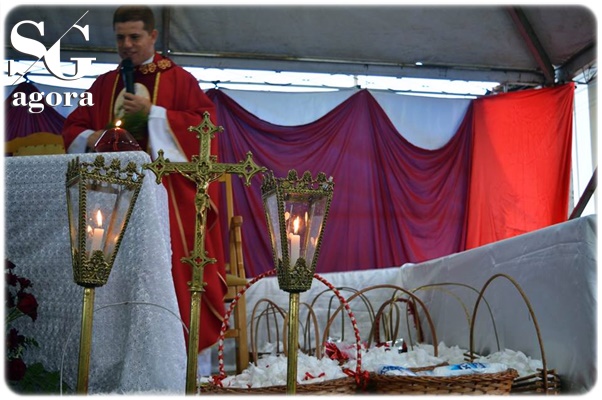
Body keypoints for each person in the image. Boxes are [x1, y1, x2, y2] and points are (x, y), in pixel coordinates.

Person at [62, 5, 227, 358]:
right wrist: (95, 136)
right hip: (112, 199)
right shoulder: (103, 84)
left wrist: (153, 114)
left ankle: (178, 353)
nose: (127, 45)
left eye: (134, 37)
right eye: (120, 37)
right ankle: (113, 353)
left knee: (172, 269)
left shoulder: (179, 80)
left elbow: (205, 129)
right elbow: (74, 127)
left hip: (167, 197)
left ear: (153, 36)